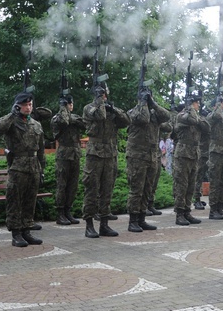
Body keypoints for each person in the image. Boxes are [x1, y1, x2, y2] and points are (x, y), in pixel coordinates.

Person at [0, 92, 46, 247]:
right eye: (24, 105)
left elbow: (41, 149)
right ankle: (16, 233)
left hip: (33, 166)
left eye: (30, 104)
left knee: (30, 200)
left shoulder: (36, 124)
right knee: (15, 201)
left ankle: (26, 230)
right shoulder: (11, 122)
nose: (28, 107)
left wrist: (41, 169)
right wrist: (11, 114)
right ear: (18, 105)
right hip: (17, 167)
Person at [81, 84, 130, 238]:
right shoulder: (89, 108)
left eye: (105, 93)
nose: (104, 96)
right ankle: (89, 225)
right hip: (95, 155)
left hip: (110, 154)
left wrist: (114, 109)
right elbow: (99, 116)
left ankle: (104, 224)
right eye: (101, 94)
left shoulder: (110, 109)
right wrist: (99, 102)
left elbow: (126, 121)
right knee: (92, 190)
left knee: (107, 190)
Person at [125, 87, 170, 232]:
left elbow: (166, 117)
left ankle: (142, 218)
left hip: (151, 157)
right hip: (137, 157)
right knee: (136, 190)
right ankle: (133, 220)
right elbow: (143, 118)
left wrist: (153, 103)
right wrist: (143, 103)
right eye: (146, 96)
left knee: (147, 189)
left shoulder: (154, 114)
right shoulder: (133, 112)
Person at [172, 92, 209, 225]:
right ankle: (179, 214)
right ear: (190, 104)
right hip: (183, 154)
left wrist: (196, 114)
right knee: (181, 185)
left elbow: (207, 127)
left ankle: (187, 211)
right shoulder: (182, 116)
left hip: (194, 154)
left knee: (191, 186)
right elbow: (193, 120)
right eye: (196, 103)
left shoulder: (196, 117)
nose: (199, 105)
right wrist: (190, 109)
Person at [50, 94, 84, 226]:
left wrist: (71, 118)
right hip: (63, 155)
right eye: (68, 104)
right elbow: (63, 121)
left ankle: (68, 210)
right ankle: (60, 213)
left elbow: (84, 124)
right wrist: (62, 109)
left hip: (75, 154)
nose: (71, 106)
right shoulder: (57, 118)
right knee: (62, 185)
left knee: (73, 185)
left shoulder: (75, 117)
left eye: (70, 104)